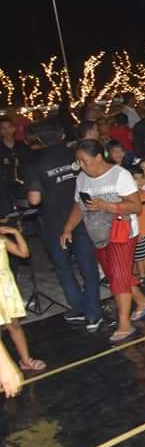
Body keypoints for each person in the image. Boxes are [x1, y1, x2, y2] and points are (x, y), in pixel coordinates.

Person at [61, 140, 145, 343]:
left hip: (122, 232)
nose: (82, 166)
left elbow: (135, 207)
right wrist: (68, 228)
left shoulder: (120, 175)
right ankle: (142, 300)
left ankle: (124, 324)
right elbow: (79, 205)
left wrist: (105, 205)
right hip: (99, 234)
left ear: (99, 157)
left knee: (119, 276)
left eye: (85, 161)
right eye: (79, 162)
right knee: (114, 274)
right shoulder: (82, 179)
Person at [24, 121, 104, 330]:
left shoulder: (35, 163)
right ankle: (94, 312)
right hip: (82, 215)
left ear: (40, 139)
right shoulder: (75, 155)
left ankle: (77, 308)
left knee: (64, 267)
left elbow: (33, 200)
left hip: (54, 222)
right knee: (88, 265)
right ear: (61, 135)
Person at [0, 225, 44, 372]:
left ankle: (25, 360)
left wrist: (15, 232)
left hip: (5, 288)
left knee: (14, 325)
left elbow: (24, 253)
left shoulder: (2, 239)